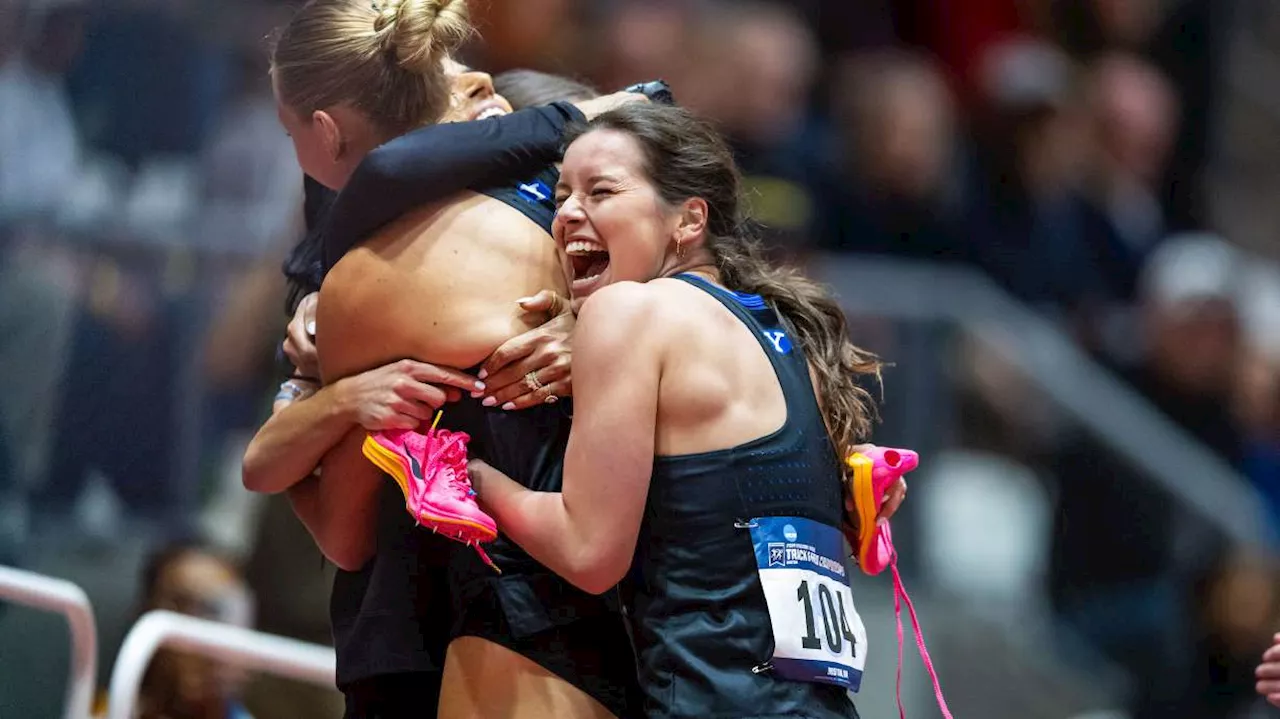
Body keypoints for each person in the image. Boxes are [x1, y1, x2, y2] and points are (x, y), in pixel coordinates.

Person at [245, 1, 644, 716]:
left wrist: (593, 327)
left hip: (465, 630)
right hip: (582, 628)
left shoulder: (372, 275)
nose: (482, 87)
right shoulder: (624, 255)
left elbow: (336, 526)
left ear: (329, 131)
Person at [467, 103, 898, 718]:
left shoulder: (631, 312)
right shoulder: (785, 333)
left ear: (689, 219)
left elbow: (589, 553)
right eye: (561, 194)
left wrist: (470, 477)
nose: (565, 213)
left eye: (601, 191)